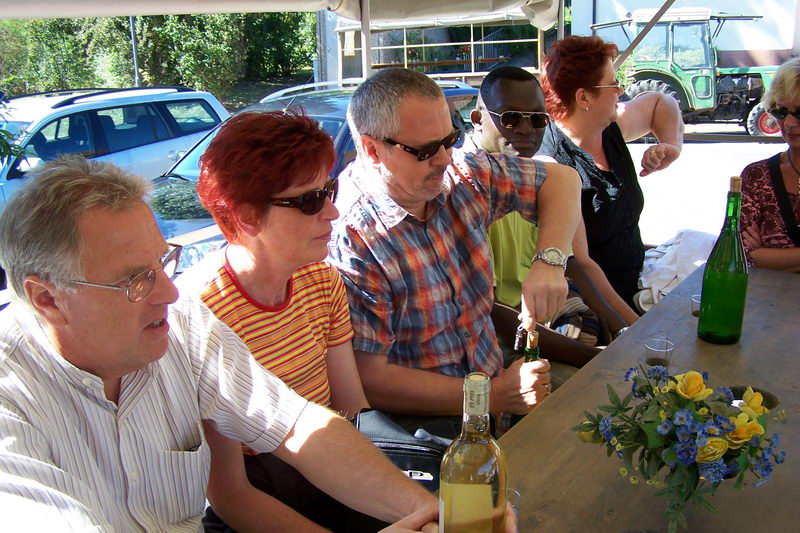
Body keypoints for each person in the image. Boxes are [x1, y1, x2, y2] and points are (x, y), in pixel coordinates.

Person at [0, 155, 436, 532]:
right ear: (47, 298)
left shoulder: (182, 326)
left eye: (162, 261)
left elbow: (299, 426)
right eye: (135, 279)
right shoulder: (12, 400)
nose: (168, 293)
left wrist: (426, 509)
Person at [327, 67, 582, 435]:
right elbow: (367, 378)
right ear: (372, 150)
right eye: (427, 150)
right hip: (425, 428)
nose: (445, 158)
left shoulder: (462, 173)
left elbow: (561, 179)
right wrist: (490, 395)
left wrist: (549, 261)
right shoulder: (352, 237)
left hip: (498, 392)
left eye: (450, 139)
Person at [175, 110, 373, 531]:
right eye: (310, 200)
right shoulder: (201, 315)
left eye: (330, 189)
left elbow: (352, 408)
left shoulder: (320, 279)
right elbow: (231, 495)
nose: (333, 212)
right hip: (261, 496)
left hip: (329, 467)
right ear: (245, 216)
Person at [468, 66, 638, 372]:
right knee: (593, 389)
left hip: (547, 316)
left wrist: (634, 333)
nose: (525, 129)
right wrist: (594, 359)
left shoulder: (543, 175)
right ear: (479, 120)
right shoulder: (464, 184)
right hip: (497, 336)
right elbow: (490, 311)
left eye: (537, 119)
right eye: (510, 118)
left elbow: (576, 264)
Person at [538, 35, 684, 308]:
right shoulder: (553, 163)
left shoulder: (607, 127)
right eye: (614, 84)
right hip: (602, 307)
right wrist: (634, 329)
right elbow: (582, 266)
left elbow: (660, 102)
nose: (620, 90)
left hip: (640, 284)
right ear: (584, 97)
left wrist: (670, 145)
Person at [740, 56, 800, 272]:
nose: (790, 124)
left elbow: (758, 257)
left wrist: (768, 256)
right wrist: (756, 255)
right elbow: (742, 254)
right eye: (781, 112)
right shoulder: (757, 175)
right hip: (770, 301)